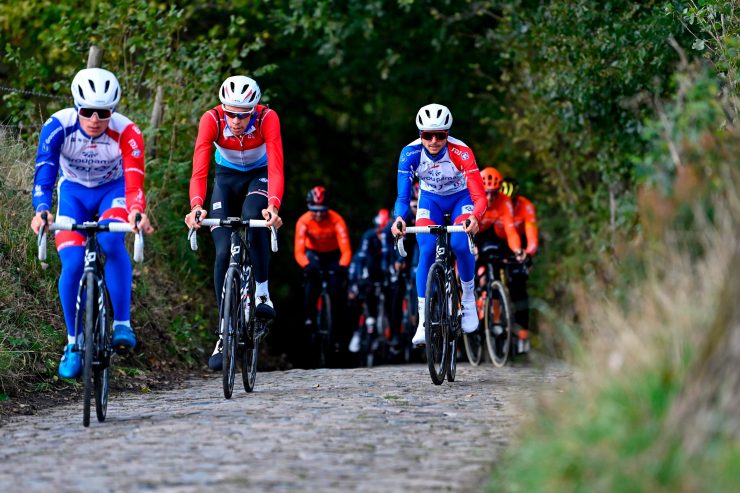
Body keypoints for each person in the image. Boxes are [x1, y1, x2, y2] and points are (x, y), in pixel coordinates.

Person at [30, 67, 153, 378]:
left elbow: (135, 183)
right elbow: (44, 176)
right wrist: (42, 210)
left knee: (111, 240)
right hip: (73, 193)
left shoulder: (128, 132)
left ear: (112, 110)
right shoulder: (57, 126)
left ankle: (122, 323)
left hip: (113, 191)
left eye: (103, 112)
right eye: (88, 111)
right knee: (71, 264)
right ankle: (73, 343)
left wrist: (137, 212)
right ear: (76, 107)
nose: (95, 119)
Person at [184, 75, 284, 371]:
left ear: (253, 110)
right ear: (222, 108)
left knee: (255, 218)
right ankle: (224, 329)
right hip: (225, 179)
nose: (236, 121)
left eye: (243, 115)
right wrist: (196, 207)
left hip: (260, 175)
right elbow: (199, 170)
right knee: (223, 250)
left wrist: (274, 206)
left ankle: (263, 293)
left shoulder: (267, 118)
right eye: (231, 114)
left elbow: (277, 166)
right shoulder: (211, 120)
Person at [391, 103, 486, 346]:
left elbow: (479, 196)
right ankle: (424, 321)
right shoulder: (409, 153)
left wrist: (475, 217)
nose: (434, 141)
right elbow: (403, 198)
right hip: (430, 200)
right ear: (420, 134)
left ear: (448, 134)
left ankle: (466, 300)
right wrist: (400, 219)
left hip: (460, 199)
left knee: (460, 244)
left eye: (440, 135)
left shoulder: (461, 152)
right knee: (426, 248)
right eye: (427, 135)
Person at [294, 186, 352, 348]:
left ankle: (337, 327)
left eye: (322, 210)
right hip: (314, 254)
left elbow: (346, 250)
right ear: (308, 206)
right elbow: (299, 251)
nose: (318, 214)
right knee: (312, 282)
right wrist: (306, 265)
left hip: (333, 255)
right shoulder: (303, 221)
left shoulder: (337, 220)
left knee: (336, 290)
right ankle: (310, 318)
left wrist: (342, 266)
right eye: (314, 210)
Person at [347, 208, 396, 353]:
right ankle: (356, 332)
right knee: (357, 299)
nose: (382, 235)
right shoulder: (368, 237)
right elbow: (359, 259)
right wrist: (354, 282)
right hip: (368, 274)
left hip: (385, 274)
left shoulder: (393, 237)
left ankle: (392, 335)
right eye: (380, 231)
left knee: (392, 300)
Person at [499, 177, 538, 350]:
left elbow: (532, 237)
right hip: (498, 240)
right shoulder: (494, 204)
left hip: (518, 243)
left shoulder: (525, 206)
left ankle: (523, 330)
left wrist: (527, 253)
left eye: (512, 201)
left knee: (518, 284)